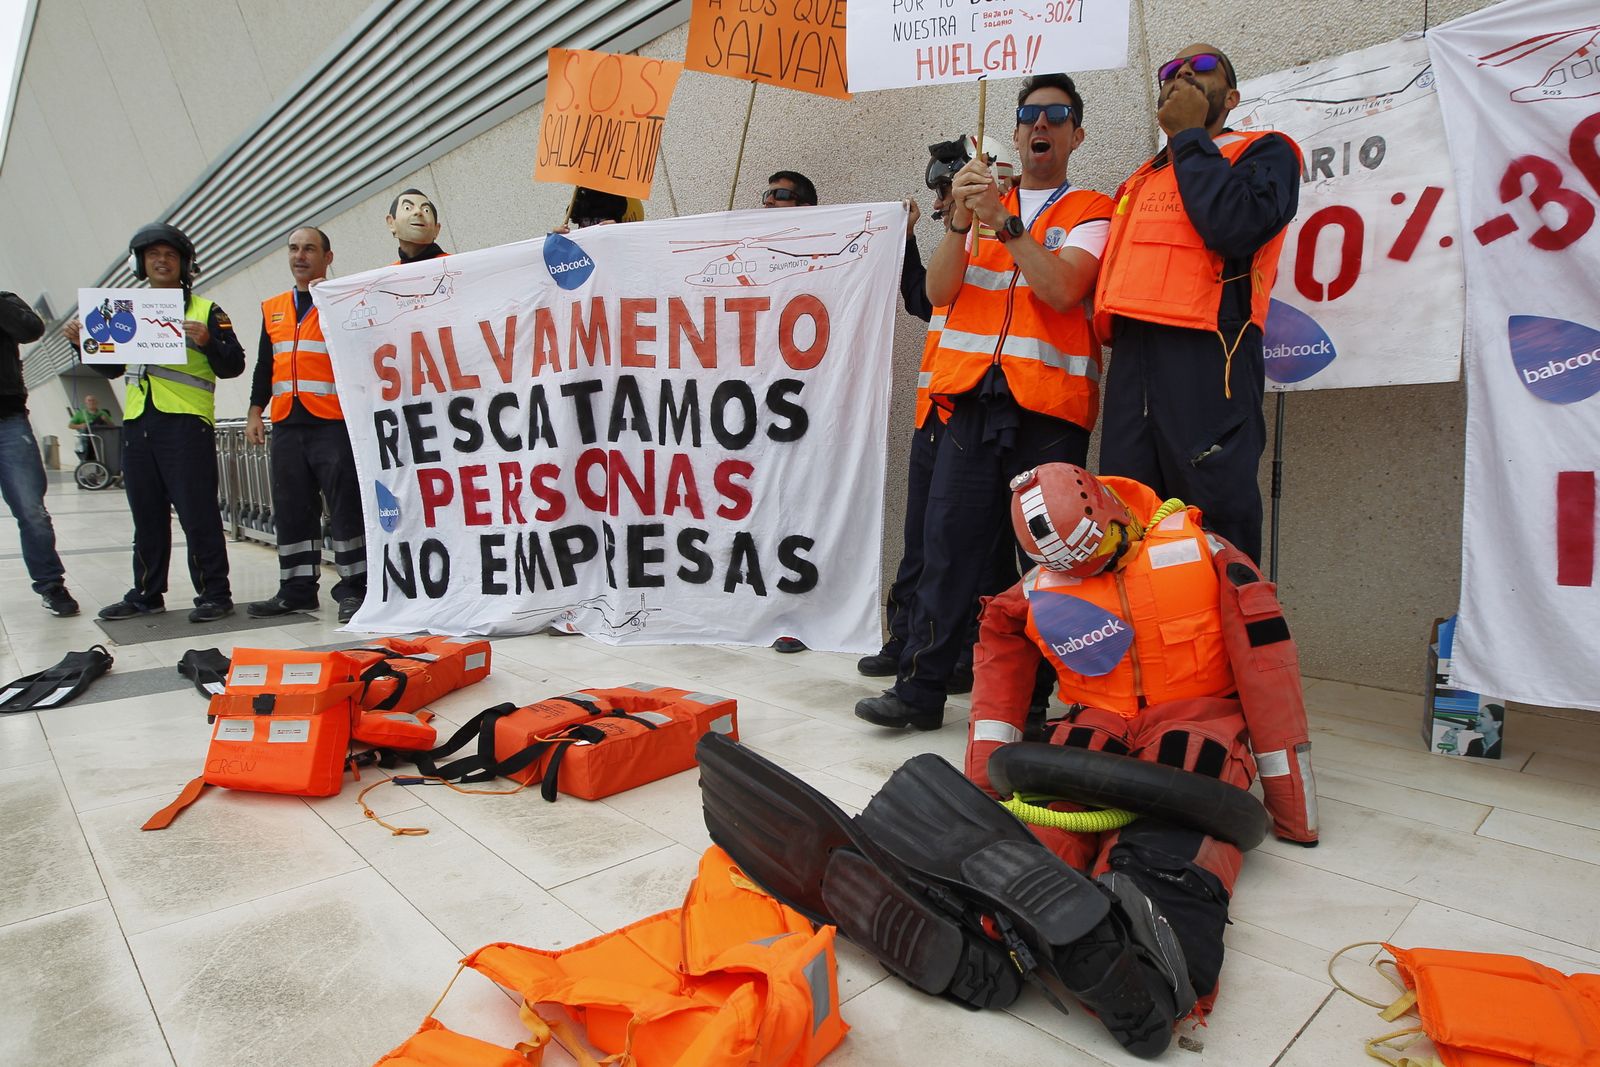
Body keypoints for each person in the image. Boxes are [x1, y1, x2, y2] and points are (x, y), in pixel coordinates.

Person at [964, 463, 1319, 1028]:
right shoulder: (1036, 587)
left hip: (1199, 716)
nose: (1095, 566)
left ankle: (1151, 944)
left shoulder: (1206, 551)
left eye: (1101, 548)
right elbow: (997, 668)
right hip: (1095, 719)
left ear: (1108, 509)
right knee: (1051, 808)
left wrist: (1294, 811)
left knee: (1185, 793)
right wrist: (983, 787)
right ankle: (988, 917)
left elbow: (1268, 670)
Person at [855, 74, 1114, 731]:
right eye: (1030, 115)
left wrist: (1007, 223)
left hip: (1048, 410)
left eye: (1057, 116)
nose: (1040, 126)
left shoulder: (1090, 209)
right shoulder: (976, 198)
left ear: (1076, 135)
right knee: (947, 549)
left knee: (1042, 561)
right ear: (1018, 128)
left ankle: (1028, 704)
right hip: (971, 400)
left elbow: (1062, 290)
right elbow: (940, 293)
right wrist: (960, 223)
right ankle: (919, 693)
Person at [1094, 45, 1302, 563]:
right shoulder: (1140, 179)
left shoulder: (1265, 151)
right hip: (1133, 370)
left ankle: (1223, 645)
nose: (1183, 72)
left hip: (1210, 361)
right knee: (1128, 526)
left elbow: (1237, 225)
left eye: (1203, 68)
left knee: (1212, 530)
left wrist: (1188, 136)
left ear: (1230, 98)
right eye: (1170, 70)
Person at [857, 135, 1018, 695]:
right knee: (922, 539)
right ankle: (907, 637)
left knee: (977, 551)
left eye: (948, 188)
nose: (942, 201)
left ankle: (960, 654)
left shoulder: (1000, 243)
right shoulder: (958, 243)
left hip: (979, 414)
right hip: (936, 411)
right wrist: (904, 244)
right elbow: (924, 299)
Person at [66, 223, 246, 623]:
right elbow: (111, 368)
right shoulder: (123, 309)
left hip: (185, 423)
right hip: (138, 423)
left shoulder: (206, 310)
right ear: (140, 264)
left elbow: (234, 364)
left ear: (184, 264)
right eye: (153, 256)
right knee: (145, 514)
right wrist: (81, 344)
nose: (161, 261)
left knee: (197, 512)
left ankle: (215, 593)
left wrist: (208, 342)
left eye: (170, 255)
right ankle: (147, 593)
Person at [244, 226, 367, 624]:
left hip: (331, 423)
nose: (300, 256)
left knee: (346, 510)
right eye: (294, 249)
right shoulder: (273, 308)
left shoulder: (342, 301)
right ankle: (296, 591)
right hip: (287, 424)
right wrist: (254, 410)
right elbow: (266, 364)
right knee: (291, 509)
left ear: (327, 257)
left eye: (310, 249)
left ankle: (356, 590)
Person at [0, 291, 79, 616]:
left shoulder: (4, 300)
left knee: (32, 511)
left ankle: (51, 586)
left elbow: (32, 329)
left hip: (8, 421)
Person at [389, 188, 447, 262]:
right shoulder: (391, 272)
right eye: (407, 208)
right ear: (391, 223)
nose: (418, 211)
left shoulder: (456, 264)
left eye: (426, 210)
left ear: (436, 229)